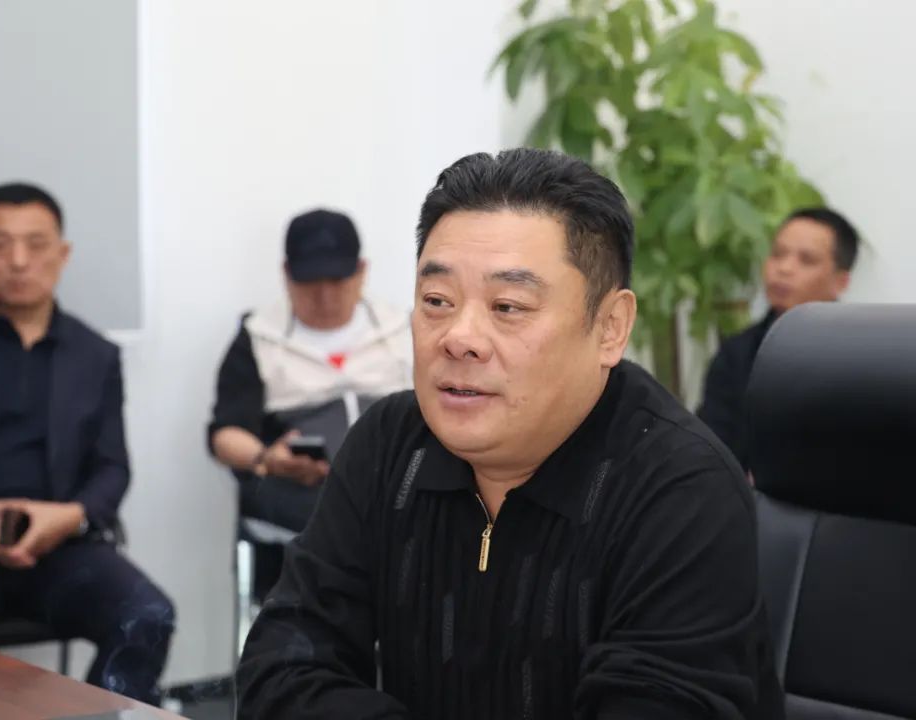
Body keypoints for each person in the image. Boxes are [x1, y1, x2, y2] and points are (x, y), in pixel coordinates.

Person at [236, 149, 781, 719]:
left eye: (508, 306)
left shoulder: (679, 489)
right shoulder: (389, 447)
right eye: (437, 302)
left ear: (610, 328)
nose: (459, 338)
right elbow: (281, 669)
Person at [0, 183, 174, 704]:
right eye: (1, 243)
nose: (18, 260)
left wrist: (70, 516)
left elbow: (112, 467)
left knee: (148, 614)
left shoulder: (96, 354)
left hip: (59, 548)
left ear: (62, 253)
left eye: (36, 243)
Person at [208, 209, 411, 595]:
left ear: (361, 272)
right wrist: (266, 458)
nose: (325, 297)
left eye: (337, 281)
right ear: (286, 274)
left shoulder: (404, 330)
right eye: (310, 283)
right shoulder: (259, 336)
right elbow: (225, 434)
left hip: (394, 484)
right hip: (302, 494)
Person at [698, 207, 860, 469]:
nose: (784, 268)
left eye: (806, 260)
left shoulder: (862, 359)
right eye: (777, 254)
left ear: (840, 282)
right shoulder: (736, 354)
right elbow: (710, 447)